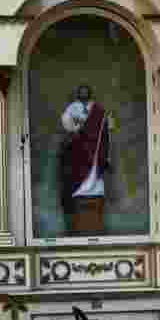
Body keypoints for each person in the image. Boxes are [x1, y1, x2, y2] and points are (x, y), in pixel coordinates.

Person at [60, 85, 111, 233]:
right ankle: (81, 189)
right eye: (81, 91)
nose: (83, 93)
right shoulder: (72, 107)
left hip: (95, 148)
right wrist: (77, 125)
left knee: (94, 168)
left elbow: (104, 125)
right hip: (79, 146)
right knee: (78, 169)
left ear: (89, 93)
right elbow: (66, 122)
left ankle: (93, 188)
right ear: (78, 94)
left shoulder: (98, 109)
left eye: (86, 91)